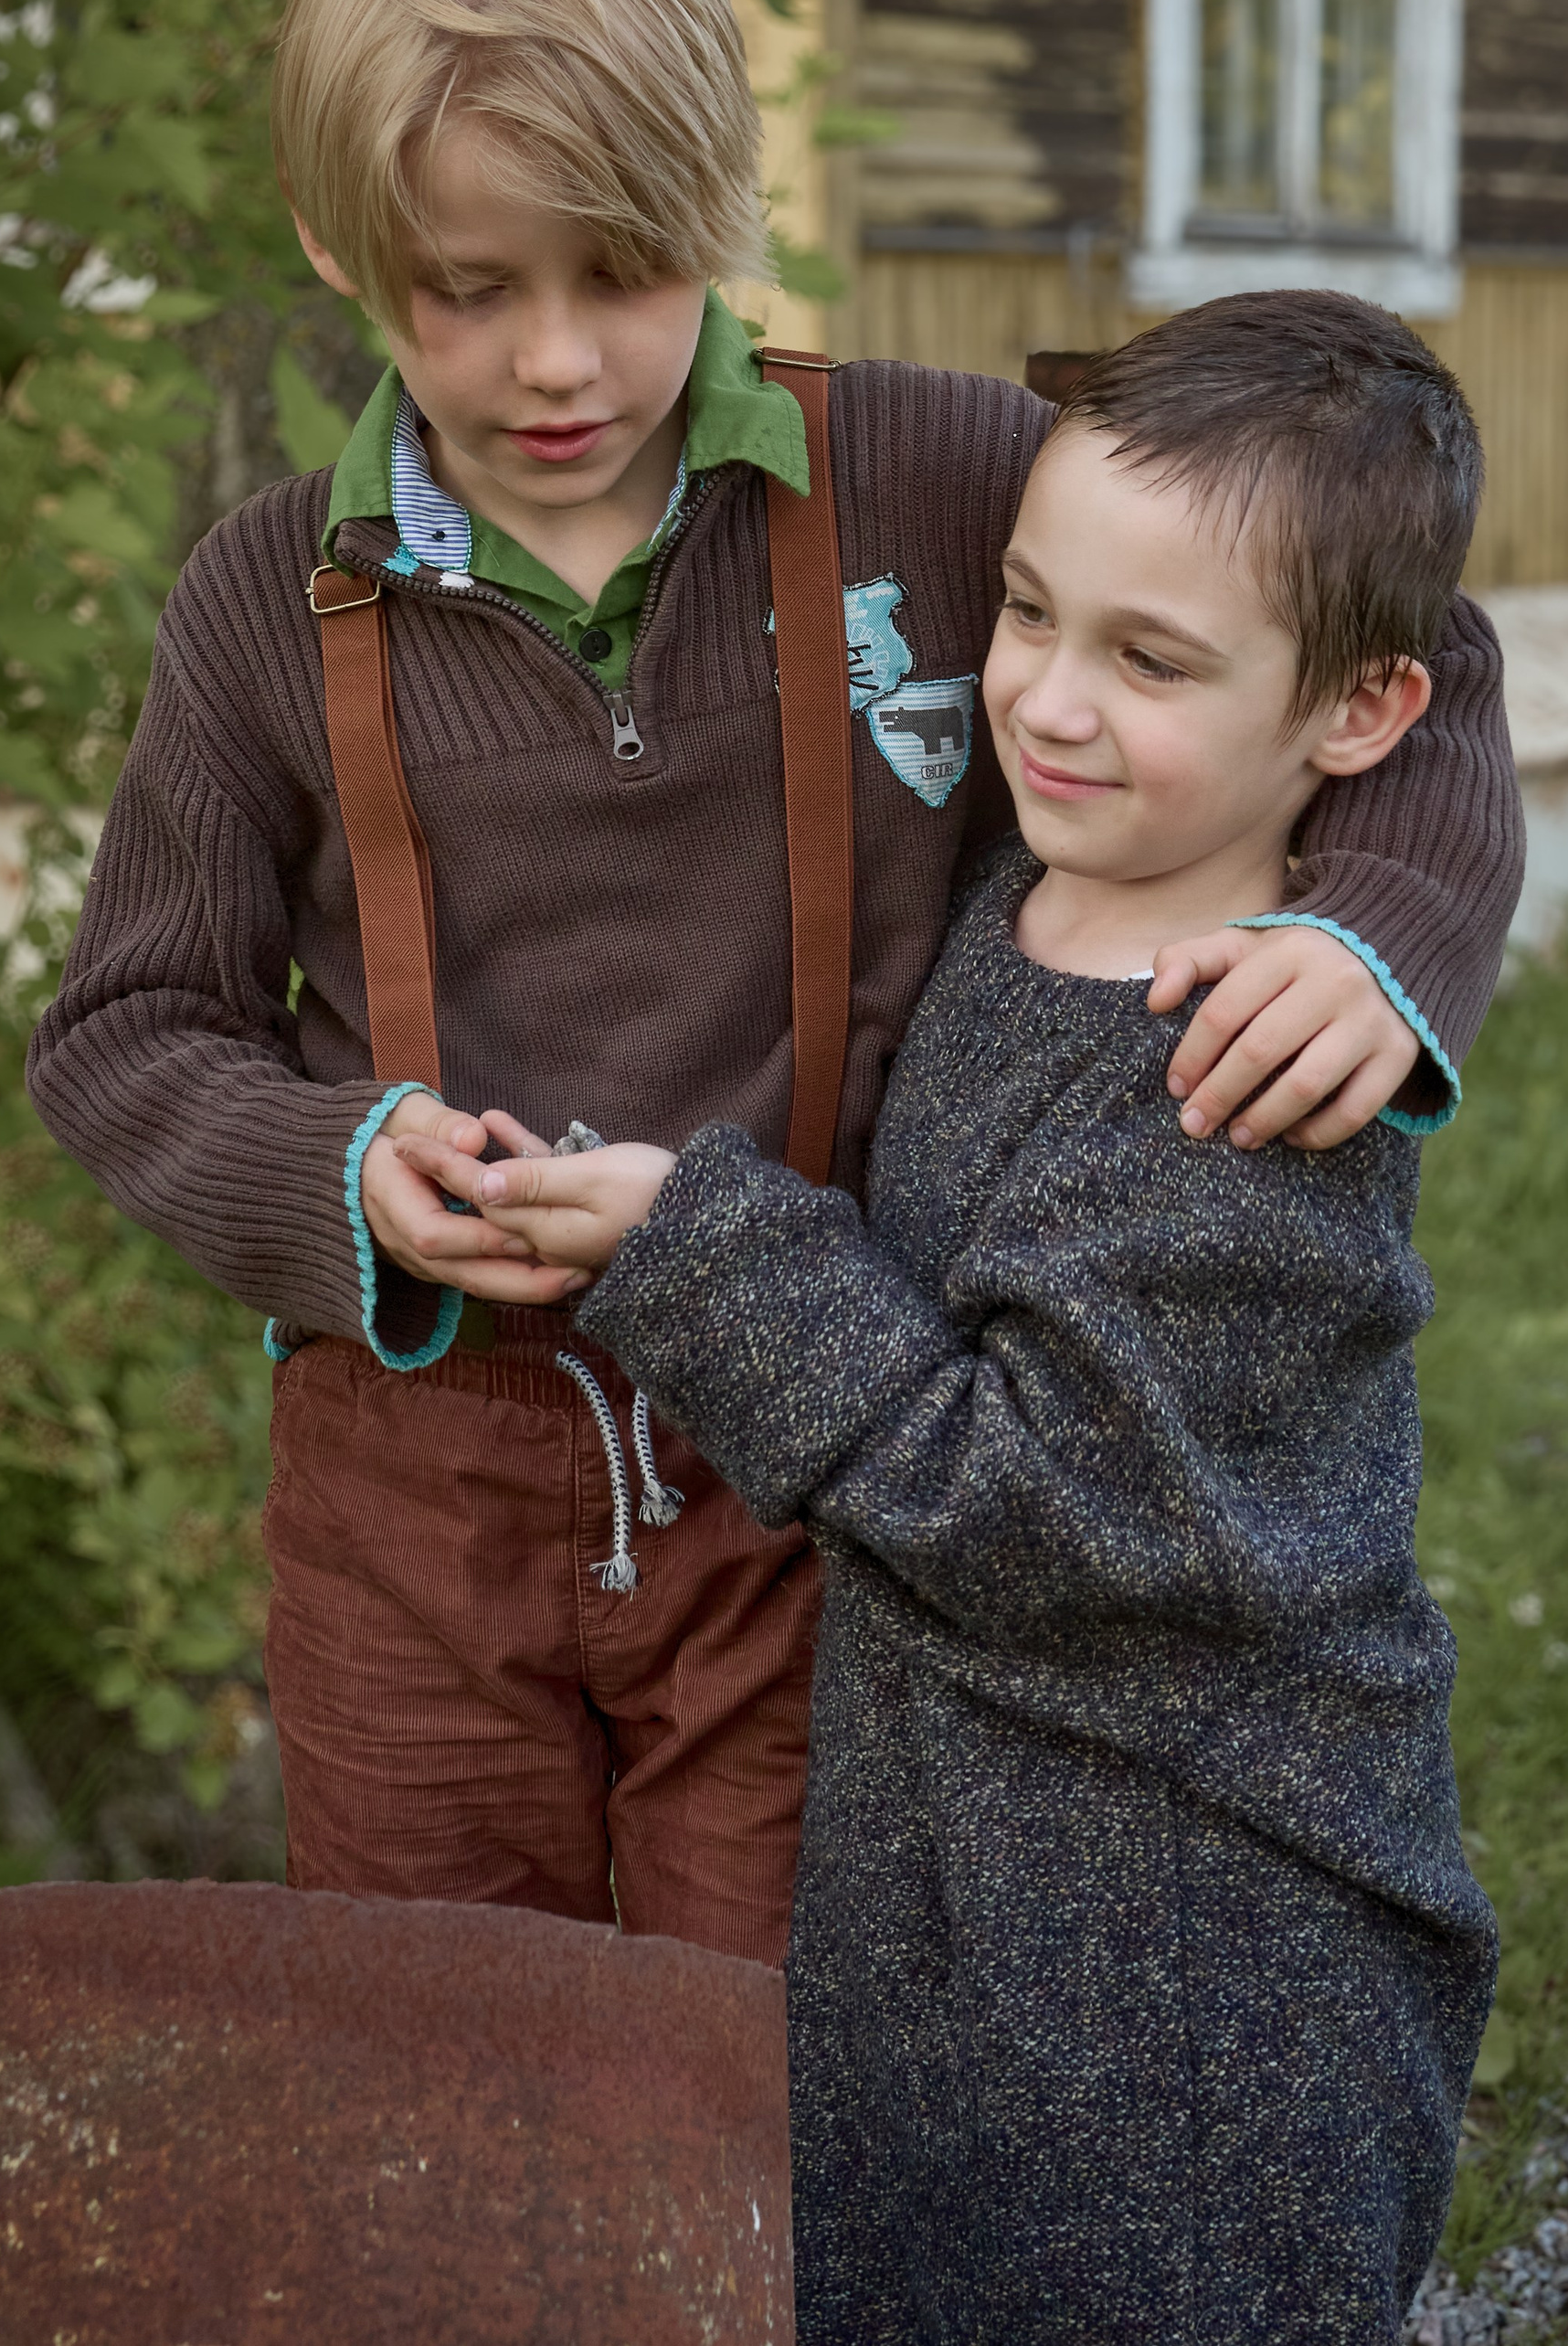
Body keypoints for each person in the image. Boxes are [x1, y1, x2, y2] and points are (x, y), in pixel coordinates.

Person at [26, 0, 1524, 1966]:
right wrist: (332, 1166)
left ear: (719, 209)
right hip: (409, 1491)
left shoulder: (919, 470)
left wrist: (1381, 919)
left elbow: (1388, 629)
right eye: (472, 288)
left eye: (625, 270)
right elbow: (125, 1027)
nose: (558, 361)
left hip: (806, 1448)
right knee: (437, 2048)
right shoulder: (272, 603)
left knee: (763, 2065)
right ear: (339, 249)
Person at [461, 290, 1504, 2346]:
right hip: (972, 1868)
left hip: (1194, 1941)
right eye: (1025, 613)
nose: (1045, 698)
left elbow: (1054, 1507)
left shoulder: (1245, 1073)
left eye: (1151, 662)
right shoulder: (1029, 888)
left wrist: (699, 1249)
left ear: (1356, 717)